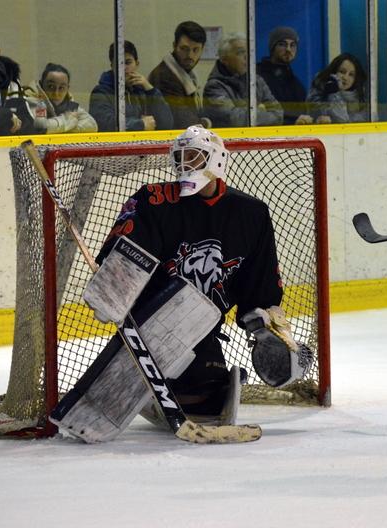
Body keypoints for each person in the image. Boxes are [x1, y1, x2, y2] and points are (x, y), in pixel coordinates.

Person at [59, 125, 310, 438]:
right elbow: (121, 258)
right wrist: (113, 283)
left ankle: (165, 391)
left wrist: (264, 326)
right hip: (151, 330)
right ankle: (150, 388)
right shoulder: (154, 201)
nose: (185, 165)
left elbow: (258, 284)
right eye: (180, 158)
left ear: (216, 159)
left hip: (203, 329)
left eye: (194, 157)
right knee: (189, 386)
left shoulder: (251, 213)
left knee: (209, 397)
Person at [89, 40, 172, 132]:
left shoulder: (143, 91)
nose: (124, 68)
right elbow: (103, 123)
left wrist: (150, 90)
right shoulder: (102, 92)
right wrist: (140, 124)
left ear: (137, 64)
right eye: (119, 63)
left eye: (128, 62)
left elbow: (166, 124)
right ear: (112, 66)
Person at [203, 33, 283, 127]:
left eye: (248, 52)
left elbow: (278, 114)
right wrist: (261, 110)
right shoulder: (214, 87)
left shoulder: (257, 81)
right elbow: (235, 120)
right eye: (240, 52)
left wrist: (251, 114)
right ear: (224, 59)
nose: (247, 57)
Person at [148, 20, 212, 129]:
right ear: (174, 46)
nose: (190, 55)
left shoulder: (187, 74)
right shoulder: (165, 77)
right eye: (184, 49)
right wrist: (207, 122)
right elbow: (185, 124)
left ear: (202, 49)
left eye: (196, 50)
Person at [256, 26, 313, 125]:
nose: (288, 49)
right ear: (272, 48)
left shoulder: (295, 83)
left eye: (292, 45)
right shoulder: (257, 77)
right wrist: (292, 122)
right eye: (282, 44)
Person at [26, 63, 97, 134]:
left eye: (61, 88)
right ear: (41, 85)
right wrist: (67, 121)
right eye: (51, 86)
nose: (56, 93)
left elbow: (92, 125)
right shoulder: (30, 101)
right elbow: (40, 128)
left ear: (67, 89)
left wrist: (58, 128)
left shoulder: (69, 104)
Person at [306, 53, 367, 124]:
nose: (345, 77)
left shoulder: (361, 97)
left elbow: (347, 121)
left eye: (351, 75)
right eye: (342, 72)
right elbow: (314, 114)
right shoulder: (319, 90)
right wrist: (333, 92)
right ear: (333, 72)